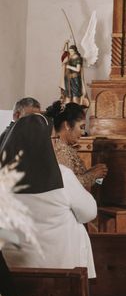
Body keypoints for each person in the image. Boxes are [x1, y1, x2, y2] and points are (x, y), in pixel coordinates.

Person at [0, 114, 96, 278]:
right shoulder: (62, 175)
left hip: (14, 272)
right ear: (45, 142)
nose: (55, 142)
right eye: (53, 138)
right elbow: (89, 212)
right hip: (61, 272)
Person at [46, 100, 108, 191]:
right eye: (81, 127)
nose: (83, 132)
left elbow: (74, 178)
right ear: (67, 125)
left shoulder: (66, 148)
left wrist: (92, 172)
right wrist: (92, 175)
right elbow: (66, 186)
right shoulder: (60, 151)